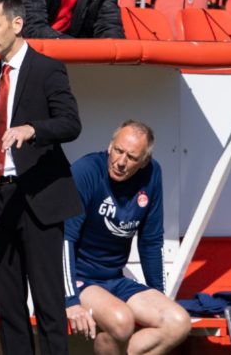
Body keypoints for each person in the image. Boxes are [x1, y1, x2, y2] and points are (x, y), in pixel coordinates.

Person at [0, 0, 82, 355]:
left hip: (38, 199)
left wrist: (33, 129)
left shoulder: (48, 69)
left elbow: (70, 123)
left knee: (48, 306)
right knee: (8, 307)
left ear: (17, 24)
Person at [64, 120, 191, 354]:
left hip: (114, 278)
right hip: (81, 278)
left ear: (145, 162)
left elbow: (151, 241)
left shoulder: (152, 175)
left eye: (132, 157)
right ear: (110, 146)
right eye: (118, 151)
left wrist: (157, 294)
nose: (121, 162)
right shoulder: (86, 171)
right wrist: (69, 300)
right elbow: (64, 239)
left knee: (178, 322)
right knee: (122, 322)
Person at [11, 0, 125, 39]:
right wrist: (80, 49)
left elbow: (110, 28)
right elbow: (32, 28)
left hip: (75, 59)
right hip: (32, 55)